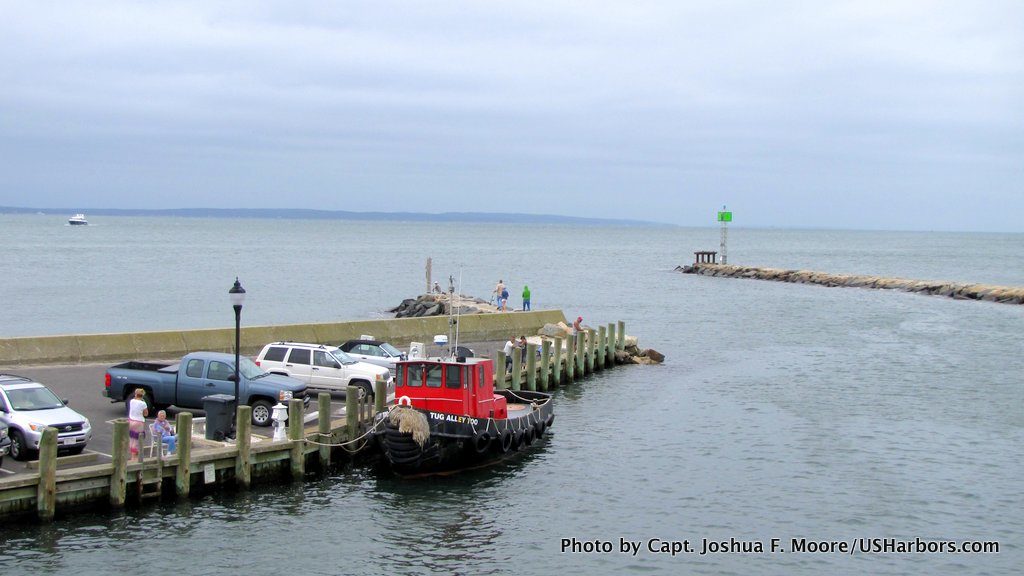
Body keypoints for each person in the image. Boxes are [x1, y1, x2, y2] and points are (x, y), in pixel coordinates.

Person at [127, 388, 148, 458]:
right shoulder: (143, 403)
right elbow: (146, 414)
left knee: (131, 437)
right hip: (139, 422)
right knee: (136, 439)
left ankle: (132, 454)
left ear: (136, 394)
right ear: (142, 395)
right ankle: (134, 457)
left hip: (130, 420)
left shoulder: (131, 401)